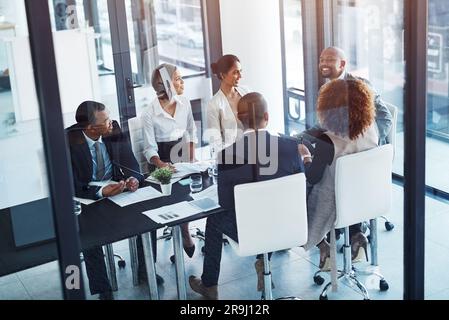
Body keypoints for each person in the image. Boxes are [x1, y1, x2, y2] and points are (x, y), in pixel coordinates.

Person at [189, 92, 304, 300]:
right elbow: (301, 186)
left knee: (215, 219)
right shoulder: (290, 147)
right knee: (270, 210)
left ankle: (209, 285)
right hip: (290, 227)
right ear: (267, 117)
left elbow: (225, 203)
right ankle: (263, 259)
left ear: (239, 121)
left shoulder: (227, 156)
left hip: (251, 233)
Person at [66, 100, 149, 300]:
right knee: (88, 230)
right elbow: (70, 184)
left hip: (117, 188)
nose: (111, 123)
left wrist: (133, 179)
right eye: (106, 121)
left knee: (146, 216)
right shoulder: (67, 140)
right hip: (88, 195)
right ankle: (103, 287)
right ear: (90, 127)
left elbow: (132, 165)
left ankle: (145, 269)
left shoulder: (114, 130)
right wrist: (101, 192)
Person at [299, 79, 378, 271]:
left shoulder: (328, 141)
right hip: (365, 199)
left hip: (333, 206)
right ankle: (357, 234)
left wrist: (306, 156)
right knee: (349, 186)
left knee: (301, 196)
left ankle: (323, 246)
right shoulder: (371, 129)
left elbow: (313, 177)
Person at [142, 63, 197, 258]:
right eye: (177, 79)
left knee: (189, 192)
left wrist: (191, 159)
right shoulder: (149, 113)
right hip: (160, 160)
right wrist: (162, 165)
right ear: (165, 84)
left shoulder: (185, 102)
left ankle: (184, 229)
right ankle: (177, 232)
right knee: (167, 197)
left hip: (182, 154)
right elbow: (149, 148)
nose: (182, 82)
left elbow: (191, 131)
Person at [316, 46, 392, 145]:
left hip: (364, 148)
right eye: (321, 60)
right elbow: (322, 124)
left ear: (342, 64)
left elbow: (385, 118)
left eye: (330, 60)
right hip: (339, 143)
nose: (323, 64)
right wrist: (301, 138)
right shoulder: (324, 89)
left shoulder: (362, 86)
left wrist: (368, 141)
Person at [207, 54, 250, 153]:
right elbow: (215, 141)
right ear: (222, 75)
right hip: (233, 155)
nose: (240, 76)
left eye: (240, 72)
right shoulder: (214, 104)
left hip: (253, 148)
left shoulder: (246, 92)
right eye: (235, 72)